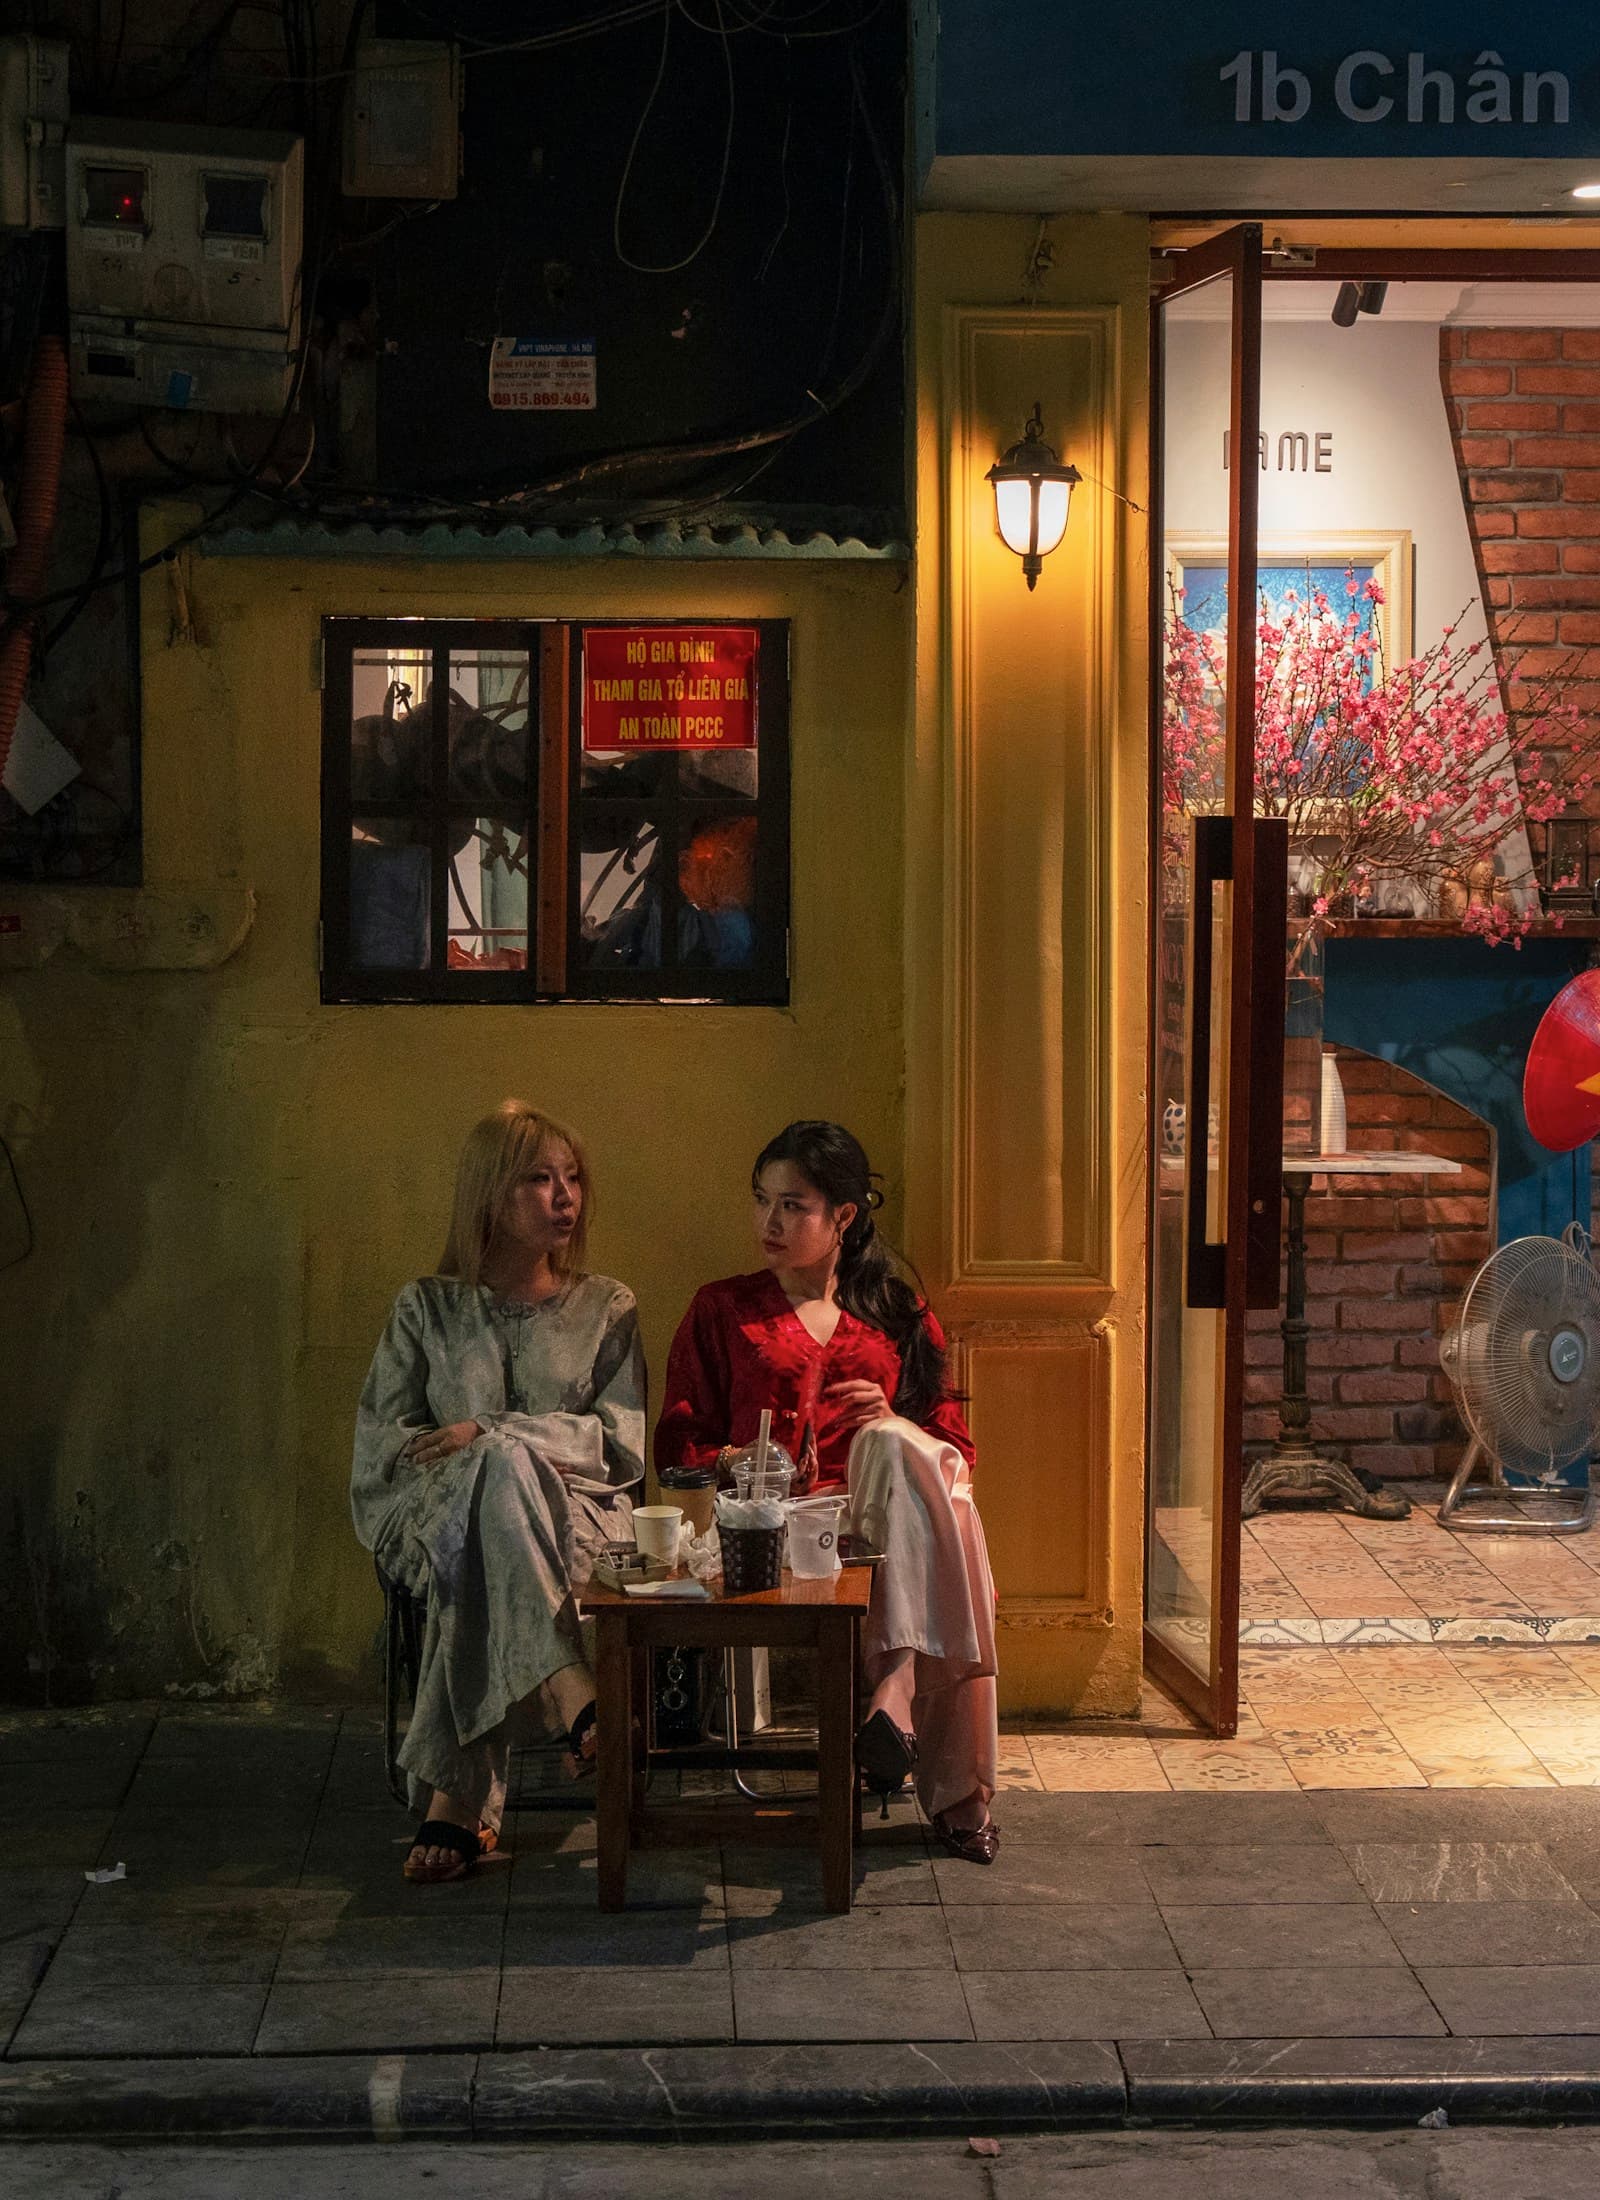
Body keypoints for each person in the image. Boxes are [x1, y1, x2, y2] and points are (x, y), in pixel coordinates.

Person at [656, 1120, 999, 1863]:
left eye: (793, 1206)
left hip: (881, 1529)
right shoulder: (723, 1309)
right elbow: (677, 1448)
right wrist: (744, 1459)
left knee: (895, 1445)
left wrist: (892, 1421)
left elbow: (958, 1454)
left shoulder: (898, 1314)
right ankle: (942, 1768)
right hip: (771, 1530)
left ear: (843, 1216)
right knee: (944, 1525)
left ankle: (895, 1694)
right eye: (761, 1201)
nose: (769, 1222)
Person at [351, 1101, 645, 1883]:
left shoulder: (607, 1308)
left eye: (573, 1178)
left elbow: (619, 1448)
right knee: (487, 1493)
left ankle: (457, 1798)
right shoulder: (425, 1309)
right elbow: (384, 1454)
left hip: (577, 1524)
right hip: (435, 1521)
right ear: (489, 1193)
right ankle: (566, 1684)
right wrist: (481, 1461)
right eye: (540, 1179)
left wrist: (489, 1431)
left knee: (499, 1477)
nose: (566, 1197)